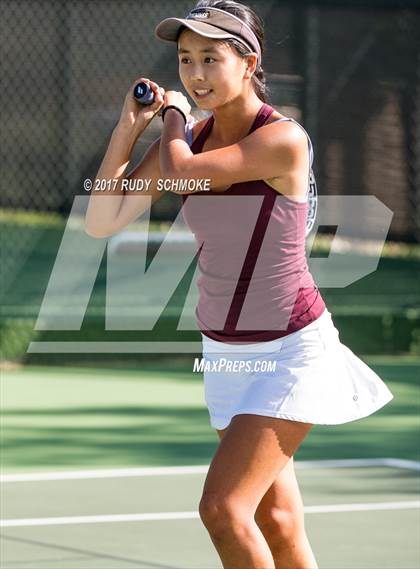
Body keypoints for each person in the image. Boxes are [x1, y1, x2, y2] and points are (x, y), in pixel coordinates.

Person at [85, 1, 394, 567]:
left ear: (248, 62)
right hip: (226, 354)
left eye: (210, 58)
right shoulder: (186, 142)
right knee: (275, 521)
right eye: (184, 60)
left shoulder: (282, 140)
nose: (195, 74)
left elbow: (182, 175)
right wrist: (128, 129)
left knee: (223, 508)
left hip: (291, 350)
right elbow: (102, 219)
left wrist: (173, 115)